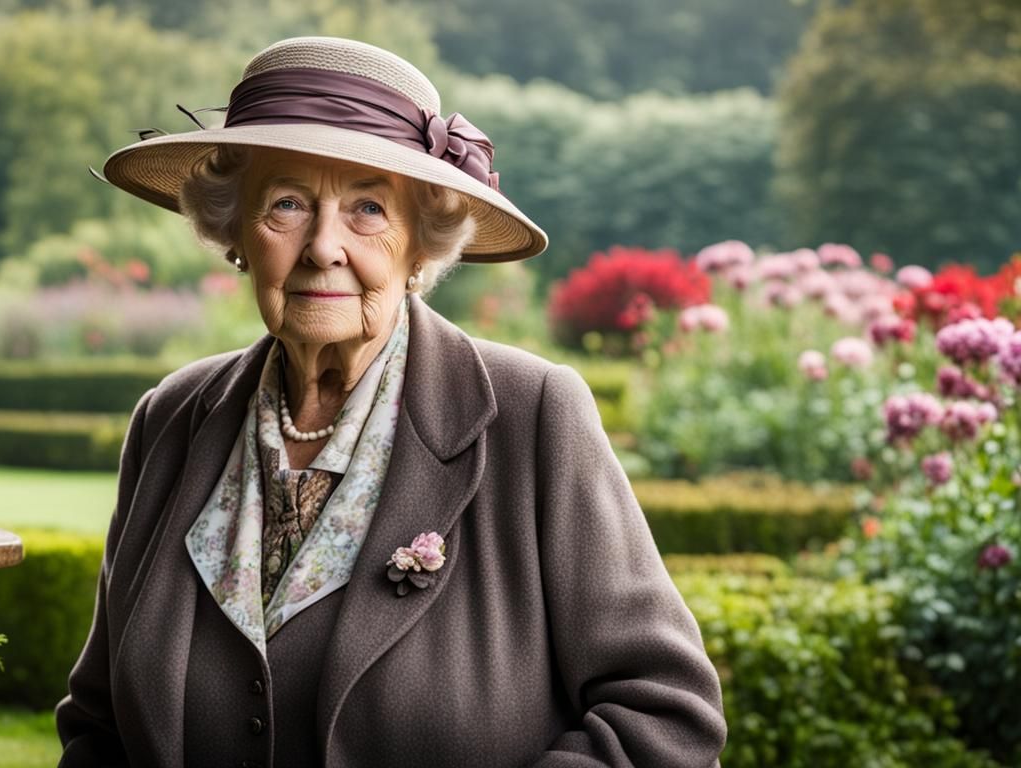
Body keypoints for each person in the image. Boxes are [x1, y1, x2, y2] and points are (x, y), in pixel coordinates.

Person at [57, 37, 726, 767]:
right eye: (286, 204)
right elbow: (101, 727)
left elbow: (666, 717)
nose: (323, 248)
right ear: (237, 233)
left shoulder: (533, 416)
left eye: (368, 209)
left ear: (419, 246)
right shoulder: (173, 420)